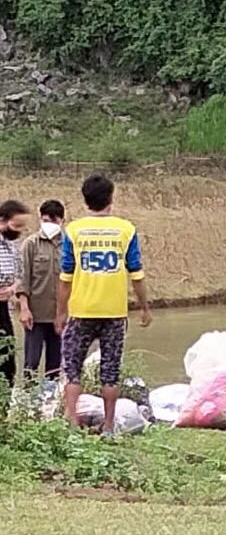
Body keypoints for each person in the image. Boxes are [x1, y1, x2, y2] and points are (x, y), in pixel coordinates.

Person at [57, 174, 153, 437]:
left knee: (72, 368)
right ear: (111, 198)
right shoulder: (126, 229)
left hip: (81, 311)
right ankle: (109, 426)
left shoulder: (73, 231)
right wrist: (144, 307)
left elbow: (66, 276)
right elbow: (136, 273)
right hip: (114, 313)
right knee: (110, 371)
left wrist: (60, 312)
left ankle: (73, 424)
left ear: (85, 199)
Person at [18, 199, 66, 379]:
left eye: (54, 221)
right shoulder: (31, 244)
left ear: (62, 221)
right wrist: (24, 309)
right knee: (31, 362)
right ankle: (29, 401)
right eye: (46, 220)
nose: (49, 225)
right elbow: (23, 278)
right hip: (35, 315)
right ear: (40, 219)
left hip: (60, 315)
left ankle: (50, 401)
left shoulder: (69, 245)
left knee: (55, 365)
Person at [0, 200, 31, 389]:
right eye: (16, 225)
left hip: (5, 307)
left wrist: (12, 289)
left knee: (7, 360)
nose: (18, 231)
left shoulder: (12, 247)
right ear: (2, 220)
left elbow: (20, 275)